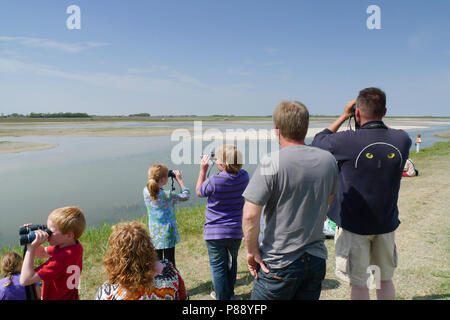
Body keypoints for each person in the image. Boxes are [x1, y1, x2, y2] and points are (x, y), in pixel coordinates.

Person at [311, 87, 411, 300]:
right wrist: (377, 119)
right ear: (384, 112)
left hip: (353, 225)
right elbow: (389, 131)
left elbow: (318, 142)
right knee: (384, 279)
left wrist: (344, 116)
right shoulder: (402, 139)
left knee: (359, 283)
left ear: (357, 112)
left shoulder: (346, 140)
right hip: (385, 223)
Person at [242, 100, 339, 300]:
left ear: (277, 130)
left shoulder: (271, 162)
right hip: (315, 258)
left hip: (279, 263)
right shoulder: (328, 160)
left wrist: (251, 251)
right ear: (306, 128)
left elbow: (250, 216)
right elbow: (329, 200)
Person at [196, 144, 249, 300]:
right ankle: (230, 295)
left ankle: (222, 297)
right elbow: (232, 174)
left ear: (221, 164)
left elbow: (199, 192)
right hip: (235, 231)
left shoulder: (214, 181)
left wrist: (203, 171)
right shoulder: (244, 176)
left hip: (215, 232)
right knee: (232, 264)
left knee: (218, 267)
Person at [95, 221, 187, 300]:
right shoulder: (170, 272)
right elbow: (183, 296)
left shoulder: (107, 293)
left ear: (114, 256)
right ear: (148, 248)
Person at [19, 206, 86, 300]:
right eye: (46, 228)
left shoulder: (61, 260)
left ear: (69, 235)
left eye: (51, 231)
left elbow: (25, 280)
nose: (47, 233)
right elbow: (42, 253)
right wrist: (33, 240)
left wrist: (31, 249)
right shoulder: (74, 247)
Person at [144, 164, 190, 268]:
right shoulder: (168, 195)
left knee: (157, 263)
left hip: (154, 233)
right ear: (164, 179)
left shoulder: (146, 191)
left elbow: (156, 188)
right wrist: (179, 180)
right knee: (170, 262)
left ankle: (159, 283)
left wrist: (162, 178)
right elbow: (186, 196)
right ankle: (172, 282)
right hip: (167, 233)